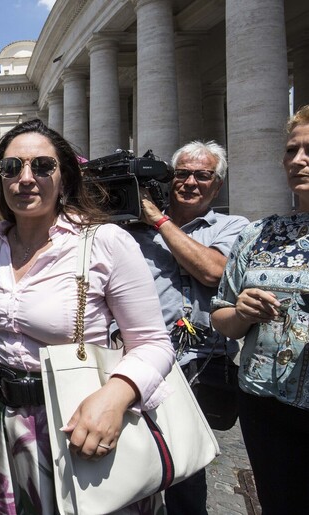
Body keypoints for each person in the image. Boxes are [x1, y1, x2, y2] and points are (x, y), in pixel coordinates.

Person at [0, 119, 174, 513]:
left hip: (76, 422)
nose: (26, 178)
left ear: (65, 178)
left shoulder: (105, 242)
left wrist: (117, 394)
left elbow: (153, 343)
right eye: (12, 168)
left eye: (42, 166)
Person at [128, 140, 248, 514]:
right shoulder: (131, 229)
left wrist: (159, 221)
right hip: (140, 359)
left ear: (217, 184)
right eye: (182, 173)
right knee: (131, 457)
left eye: (203, 175)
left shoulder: (233, 227)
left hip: (200, 361)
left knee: (187, 465)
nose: (191, 182)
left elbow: (213, 271)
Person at [211, 105, 309, 514]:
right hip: (261, 402)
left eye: (308, 150)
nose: (298, 160)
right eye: (291, 150)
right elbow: (222, 318)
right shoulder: (259, 233)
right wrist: (243, 311)